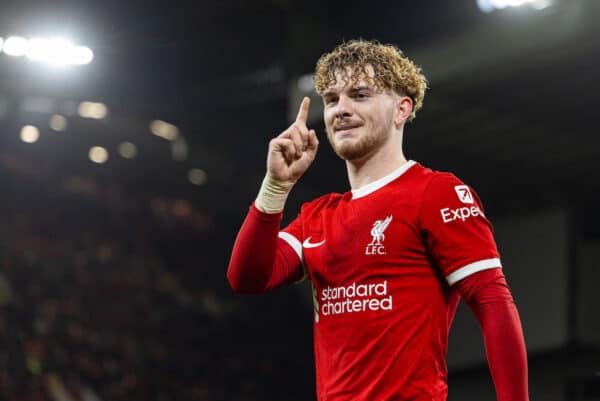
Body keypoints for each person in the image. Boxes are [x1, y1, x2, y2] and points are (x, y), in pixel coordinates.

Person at [227, 39, 528, 401]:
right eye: (332, 99)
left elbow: (492, 302)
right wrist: (275, 186)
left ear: (402, 109)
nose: (341, 109)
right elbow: (246, 278)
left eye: (360, 94)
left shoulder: (435, 192)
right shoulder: (318, 215)